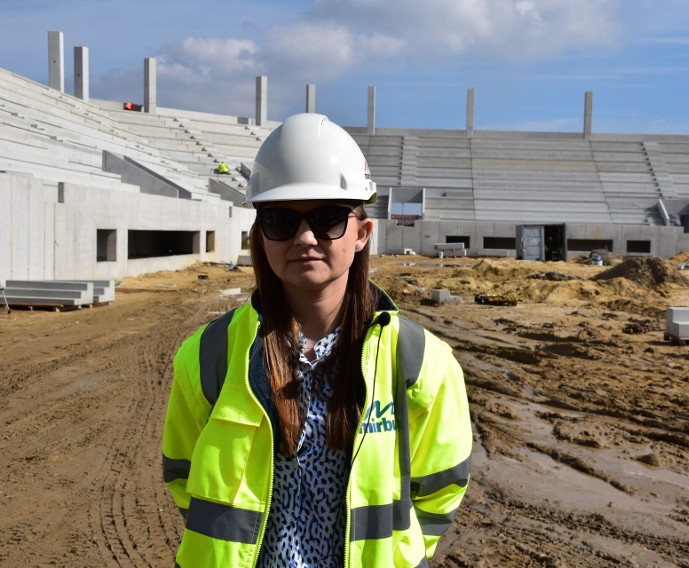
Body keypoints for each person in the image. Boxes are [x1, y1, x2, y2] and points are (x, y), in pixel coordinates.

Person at [162, 113, 472, 567]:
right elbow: (184, 479)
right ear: (260, 238)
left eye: (328, 218)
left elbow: (441, 489)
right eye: (281, 220)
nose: (305, 237)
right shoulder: (208, 356)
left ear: (363, 233)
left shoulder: (422, 362)